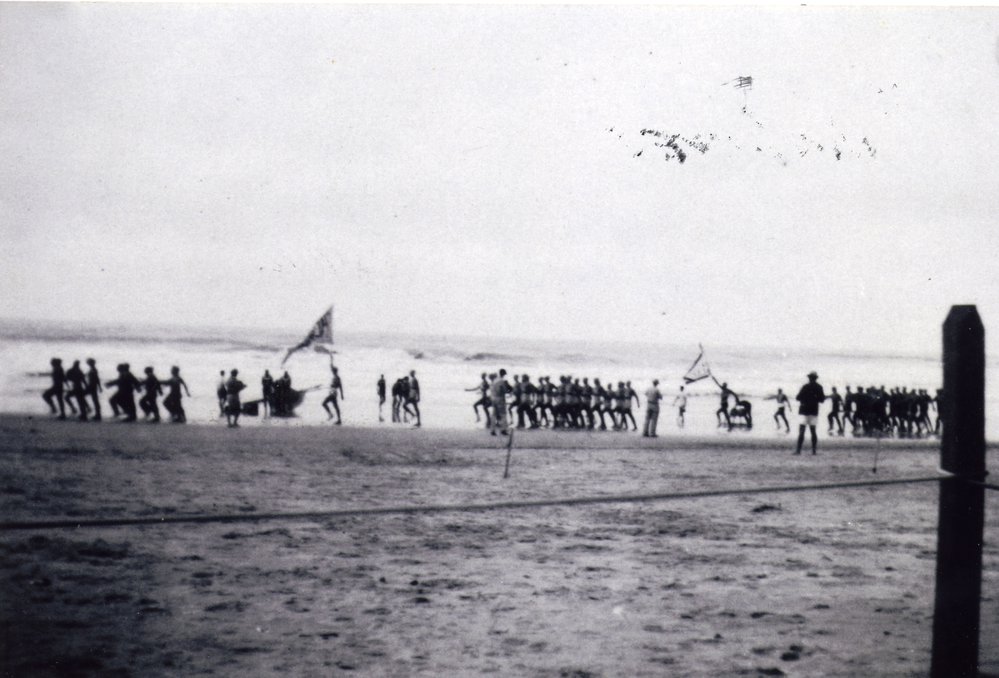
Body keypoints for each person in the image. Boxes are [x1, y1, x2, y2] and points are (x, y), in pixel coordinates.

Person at [795, 371, 826, 455]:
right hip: (814, 410)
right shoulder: (819, 387)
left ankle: (798, 450)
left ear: (809, 378)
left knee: (802, 430)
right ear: (816, 378)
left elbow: (797, 397)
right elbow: (822, 400)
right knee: (813, 431)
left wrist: (804, 399)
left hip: (804, 410)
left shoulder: (805, 386)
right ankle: (814, 450)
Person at [489, 369, 510, 436]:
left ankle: (492, 430)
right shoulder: (501, 381)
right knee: (503, 414)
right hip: (500, 398)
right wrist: (508, 390)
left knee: (494, 415)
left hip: (493, 398)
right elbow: (504, 390)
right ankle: (503, 430)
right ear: (503, 374)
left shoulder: (494, 380)